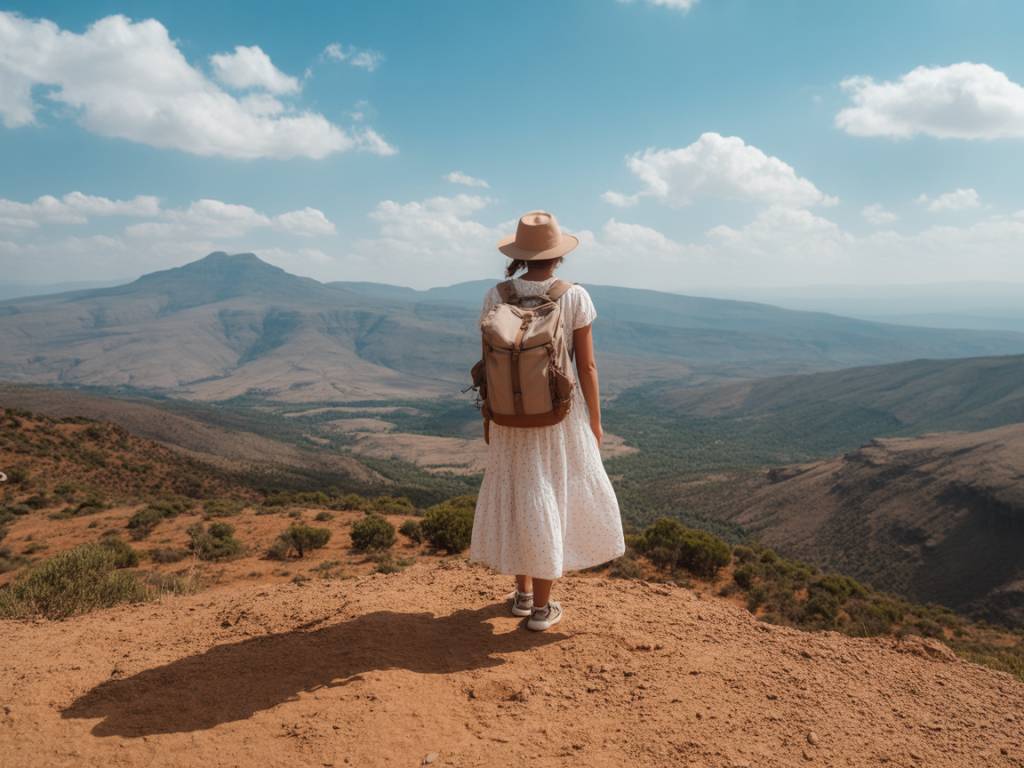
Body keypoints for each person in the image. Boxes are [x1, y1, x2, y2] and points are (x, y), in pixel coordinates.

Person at [469, 211, 626, 631]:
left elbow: (491, 360)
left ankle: (521, 595)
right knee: (548, 494)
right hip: (558, 416)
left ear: (519, 254)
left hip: (506, 417)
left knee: (521, 491)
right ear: (557, 256)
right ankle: (542, 609)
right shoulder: (573, 296)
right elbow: (587, 366)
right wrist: (595, 419)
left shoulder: (495, 295)